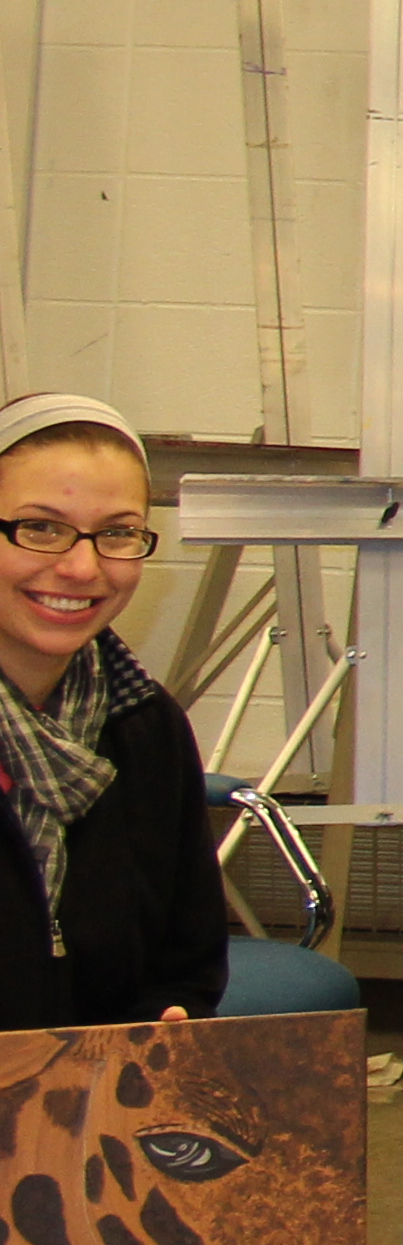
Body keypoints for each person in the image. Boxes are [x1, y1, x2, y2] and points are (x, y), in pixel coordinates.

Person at [0, 394, 225, 1032]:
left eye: (117, 533)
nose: (80, 567)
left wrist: (167, 1018)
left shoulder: (145, 728)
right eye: (40, 527)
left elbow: (187, 963)